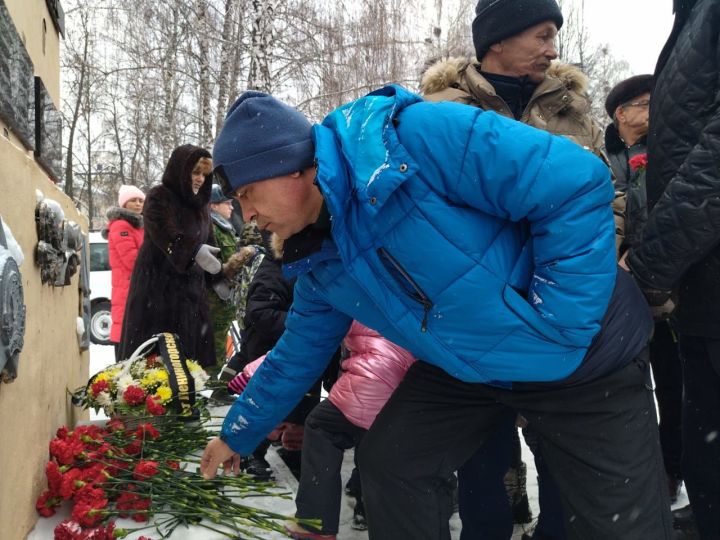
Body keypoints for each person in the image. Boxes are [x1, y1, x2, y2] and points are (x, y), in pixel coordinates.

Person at [201, 86, 672, 540]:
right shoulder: (319, 260)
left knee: (621, 522)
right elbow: (296, 355)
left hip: (587, 352)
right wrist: (236, 435)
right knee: (392, 462)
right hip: (473, 367)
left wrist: (558, 322)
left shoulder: (412, 139)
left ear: (292, 167)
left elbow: (573, 181)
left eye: (247, 194)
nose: (248, 215)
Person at [421, 1, 604, 536]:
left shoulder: (571, 109)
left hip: (563, 302)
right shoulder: (444, 108)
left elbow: (604, 201)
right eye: (542, 35)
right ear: (496, 40)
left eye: (556, 37)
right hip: (477, 308)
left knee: (562, 446)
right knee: (482, 450)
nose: (553, 48)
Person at [623, 0, 720, 537]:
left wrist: (649, 262)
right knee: (704, 453)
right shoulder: (694, 17)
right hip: (700, 292)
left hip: (689, 272)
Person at [604, 74, 684, 504]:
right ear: (623, 113)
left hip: (665, 293)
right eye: (648, 103)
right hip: (613, 296)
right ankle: (631, 479)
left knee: (675, 388)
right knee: (623, 390)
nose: (658, 109)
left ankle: (670, 473)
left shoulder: (669, 150)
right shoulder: (599, 155)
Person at [283, 321, 416, 540]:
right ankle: (366, 507)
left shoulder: (346, 292)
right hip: (417, 374)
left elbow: (307, 340)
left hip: (379, 371)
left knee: (321, 426)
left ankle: (315, 523)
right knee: (375, 444)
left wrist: (249, 375)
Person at [118, 144, 220, 369]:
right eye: (195, 172)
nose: (200, 179)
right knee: (156, 367)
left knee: (190, 367)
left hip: (192, 298)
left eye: (204, 174)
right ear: (180, 170)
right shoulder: (159, 196)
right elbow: (165, 233)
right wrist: (193, 251)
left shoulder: (202, 206)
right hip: (158, 295)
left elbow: (211, 245)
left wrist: (219, 276)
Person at [207, 184, 252, 377]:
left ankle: (216, 382)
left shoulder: (224, 227)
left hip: (225, 298)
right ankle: (213, 385)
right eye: (227, 203)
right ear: (213, 206)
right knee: (215, 344)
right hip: (214, 298)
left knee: (221, 342)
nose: (232, 207)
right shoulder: (210, 228)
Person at [103, 184, 145, 360]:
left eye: (141, 200)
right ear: (124, 203)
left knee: (134, 336)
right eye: (133, 200)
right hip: (128, 289)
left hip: (136, 288)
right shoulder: (121, 225)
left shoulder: (139, 226)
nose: (138, 204)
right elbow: (132, 261)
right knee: (126, 334)